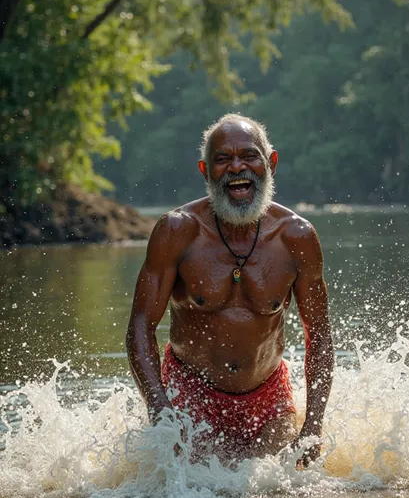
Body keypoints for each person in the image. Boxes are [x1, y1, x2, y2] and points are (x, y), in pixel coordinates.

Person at [126, 114, 333, 466]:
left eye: (249, 156)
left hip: (268, 398)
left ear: (271, 163)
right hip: (190, 394)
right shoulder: (177, 231)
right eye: (223, 159)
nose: (237, 167)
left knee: (280, 496)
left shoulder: (296, 236)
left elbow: (320, 335)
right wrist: (161, 411)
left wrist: (312, 424)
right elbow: (140, 326)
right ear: (206, 170)